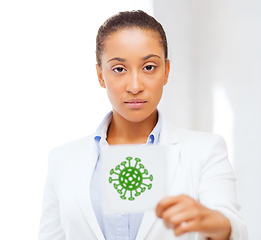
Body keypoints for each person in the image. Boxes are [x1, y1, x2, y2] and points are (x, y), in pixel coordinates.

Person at [38, 10, 247, 240]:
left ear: (166, 71)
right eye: (119, 69)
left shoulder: (206, 151)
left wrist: (218, 225)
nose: (135, 86)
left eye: (149, 67)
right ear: (100, 75)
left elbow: (232, 226)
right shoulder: (62, 159)